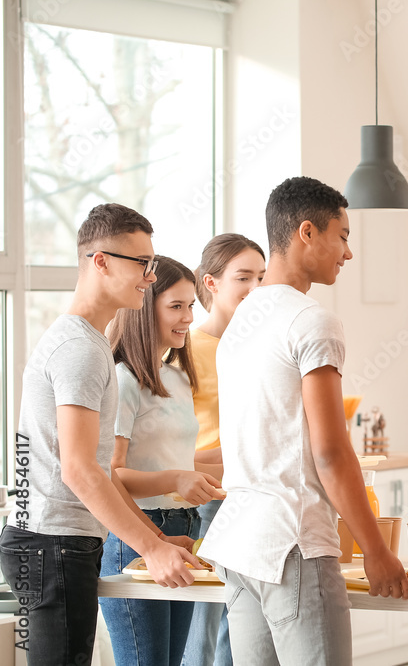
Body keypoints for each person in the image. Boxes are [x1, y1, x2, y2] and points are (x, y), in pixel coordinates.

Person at [199, 176, 408, 665]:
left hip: (240, 544)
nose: (348, 253)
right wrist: (376, 551)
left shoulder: (240, 324)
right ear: (308, 232)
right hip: (292, 542)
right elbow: (331, 451)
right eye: (343, 235)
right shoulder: (311, 320)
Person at [0, 204, 200, 666]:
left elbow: (92, 466)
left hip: (52, 540)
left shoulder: (85, 341)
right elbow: (80, 470)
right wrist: (150, 547)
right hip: (53, 544)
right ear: (101, 261)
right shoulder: (80, 350)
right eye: (142, 264)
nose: (149, 277)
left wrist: (156, 537)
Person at [100, 255, 225, 666]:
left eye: (192, 305)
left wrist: (243, 464)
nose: (188, 317)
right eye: (176, 306)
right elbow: (112, 473)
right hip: (139, 533)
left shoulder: (176, 377)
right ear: (143, 307)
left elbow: (178, 459)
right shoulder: (123, 379)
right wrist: (176, 478)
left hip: (184, 529)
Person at [182, 233, 266, 666]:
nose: (255, 287)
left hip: (254, 495)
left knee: (243, 625)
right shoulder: (185, 349)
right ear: (211, 283)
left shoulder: (258, 346)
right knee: (208, 621)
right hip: (208, 500)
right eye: (243, 277)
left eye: (261, 277)